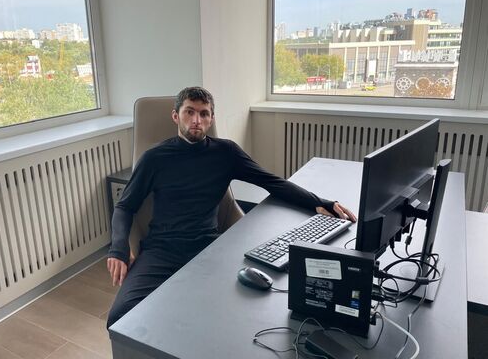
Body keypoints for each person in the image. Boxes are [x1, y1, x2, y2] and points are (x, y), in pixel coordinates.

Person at [106, 87, 356, 328]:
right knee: (120, 317)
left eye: (204, 113)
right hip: (162, 250)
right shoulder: (154, 158)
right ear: (175, 116)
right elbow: (125, 206)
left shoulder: (226, 153)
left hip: (207, 247)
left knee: (241, 311)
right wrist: (118, 249)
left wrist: (319, 202)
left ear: (211, 118)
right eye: (189, 112)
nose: (196, 120)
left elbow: (272, 182)